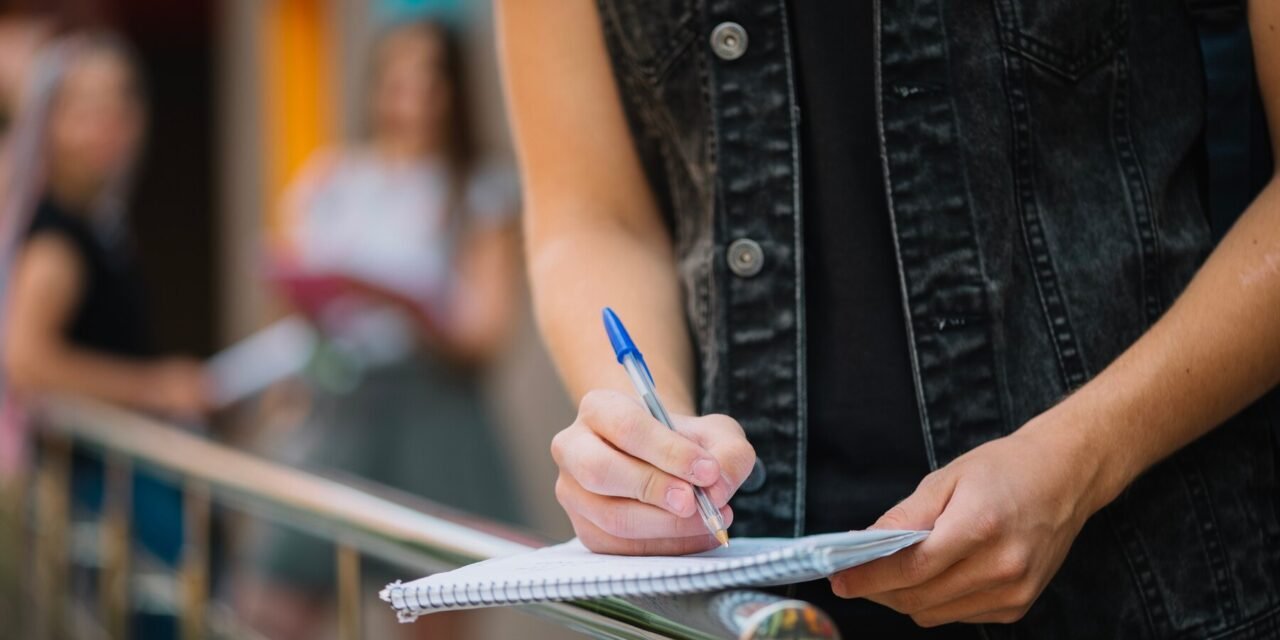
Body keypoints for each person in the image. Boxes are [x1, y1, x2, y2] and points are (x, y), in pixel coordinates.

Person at [498, 1, 1280, 637]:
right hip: (750, 606)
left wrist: (1081, 458)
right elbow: (592, 216)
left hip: (1144, 582)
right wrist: (642, 446)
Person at [240, 19, 522, 640]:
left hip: (432, 418)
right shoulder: (332, 177)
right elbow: (291, 309)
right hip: (338, 408)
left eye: (431, 75)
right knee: (276, 603)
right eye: (400, 72)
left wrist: (401, 301)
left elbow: (483, 336)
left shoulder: (480, 191)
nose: (414, 91)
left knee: (432, 610)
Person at [0, 31, 210, 639]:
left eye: (121, 104)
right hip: (100, 484)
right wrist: (157, 387)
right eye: (84, 107)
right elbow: (27, 361)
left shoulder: (97, 223)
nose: (108, 124)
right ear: (51, 121)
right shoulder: (59, 240)